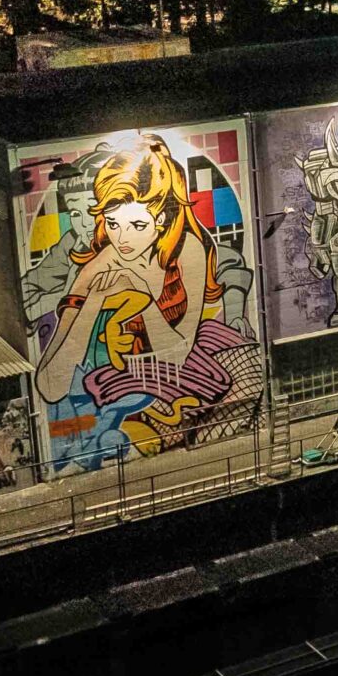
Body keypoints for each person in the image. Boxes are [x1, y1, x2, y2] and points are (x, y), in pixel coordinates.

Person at [34, 135, 249, 468]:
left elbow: (179, 351)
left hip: (185, 367)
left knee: (245, 374)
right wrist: (93, 303)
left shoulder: (187, 249)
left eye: (137, 225)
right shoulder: (98, 266)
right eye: (114, 224)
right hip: (123, 381)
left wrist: (142, 299)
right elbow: (50, 385)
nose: (123, 239)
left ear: (161, 220)